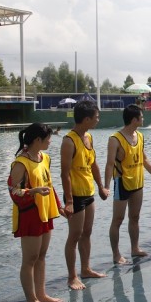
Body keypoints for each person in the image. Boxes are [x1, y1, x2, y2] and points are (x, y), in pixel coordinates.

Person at [8, 123, 64, 302]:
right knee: (30, 259)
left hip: (45, 212)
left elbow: (50, 185)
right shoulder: (20, 163)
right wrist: (33, 191)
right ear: (38, 139)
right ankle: (31, 301)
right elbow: (13, 191)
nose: (50, 141)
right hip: (29, 213)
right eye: (48, 138)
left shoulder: (44, 158)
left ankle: (41, 294)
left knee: (41, 256)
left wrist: (59, 206)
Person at [104, 104, 151, 264]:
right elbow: (109, 164)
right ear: (134, 119)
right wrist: (106, 186)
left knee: (135, 217)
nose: (143, 119)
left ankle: (135, 248)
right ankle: (116, 254)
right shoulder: (115, 139)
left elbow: (144, 159)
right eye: (141, 117)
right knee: (118, 219)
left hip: (138, 183)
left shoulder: (140, 136)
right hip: (122, 183)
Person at [61, 100, 109, 290]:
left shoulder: (88, 137)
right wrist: (69, 201)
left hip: (89, 192)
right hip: (75, 195)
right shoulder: (69, 141)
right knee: (74, 235)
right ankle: (72, 277)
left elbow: (93, 164)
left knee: (87, 232)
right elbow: (64, 173)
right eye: (96, 117)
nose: (98, 120)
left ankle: (86, 269)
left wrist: (101, 186)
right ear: (86, 119)